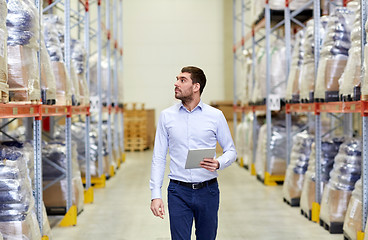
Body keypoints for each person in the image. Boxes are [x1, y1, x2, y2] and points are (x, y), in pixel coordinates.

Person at [150, 66, 237, 240]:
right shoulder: (167, 116)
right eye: (177, 79)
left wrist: (219, 162)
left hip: (208, 191)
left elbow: (231, 151)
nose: (176, 84)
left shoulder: (215, 116)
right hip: (178, 192)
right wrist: (155, 195)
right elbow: (158, 157)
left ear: (196, 86)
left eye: (182, 80)